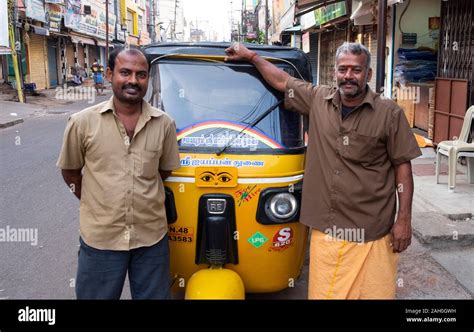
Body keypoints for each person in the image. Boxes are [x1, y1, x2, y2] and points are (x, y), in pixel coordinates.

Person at [225, 42, 422, 299]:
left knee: (374, 294)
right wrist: (251, 57)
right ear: (335, 72)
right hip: (327, 229)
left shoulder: (389, 114)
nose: (348, 76)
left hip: (372, 229)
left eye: (356, 70)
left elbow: (402, 167)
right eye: (343, 69)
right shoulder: (318, 99)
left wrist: (404, 220)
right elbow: (283, 82)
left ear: (369, 74)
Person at [57, 46, 181, 299]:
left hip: (151, 238)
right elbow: (70, 171)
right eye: (125, 72)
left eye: (141, 74)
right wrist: (98, 201)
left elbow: (164, 170)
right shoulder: (82, 122)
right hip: (101, 239)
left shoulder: (164, 124)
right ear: (110, 74)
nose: (133, 81)